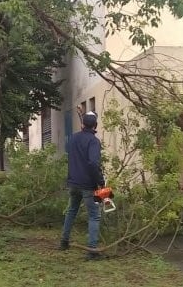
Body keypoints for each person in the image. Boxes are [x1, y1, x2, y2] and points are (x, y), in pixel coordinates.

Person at [59, 111, 105, 260]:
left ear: (82, 124)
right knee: (94, 216)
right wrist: (101, 181)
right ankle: (92, 250)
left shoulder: (73, 138)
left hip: (73, 182)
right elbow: (93, 163)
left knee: (71, 211)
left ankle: (64, 242)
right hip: (88, 185)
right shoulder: (93, 141)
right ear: (95, 125)